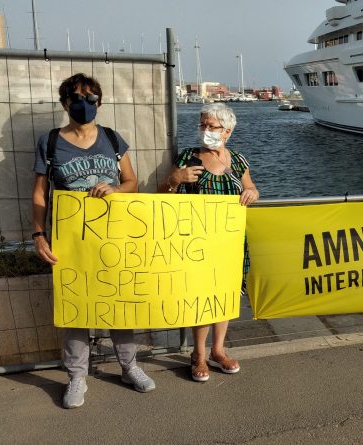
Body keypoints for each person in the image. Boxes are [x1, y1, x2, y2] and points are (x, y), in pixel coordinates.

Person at [31, 73, 155, 409]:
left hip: (113, 237)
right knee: (76, 308)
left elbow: (131, 183)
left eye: (90, 97)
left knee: (119, 305)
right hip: (70, 241)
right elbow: (41, 193)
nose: (83, 103)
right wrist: (39, 235)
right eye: (76, 97)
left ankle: (130, 366)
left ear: (99, 102)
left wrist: (115, 189)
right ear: (65, 103)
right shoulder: (51, 142)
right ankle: (76, 377)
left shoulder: (113, 139)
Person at [158, 102, 259, 382]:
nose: (204, 130)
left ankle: (219, 350)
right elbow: (163, 195)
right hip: (197, 243)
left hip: (230, 242)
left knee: (225, 294)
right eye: (202, 125)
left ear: (226, 131)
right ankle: (199, 354)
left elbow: (249, 187)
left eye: (210, 126)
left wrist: (253, 192)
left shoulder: (237, 161)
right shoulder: (189, 158)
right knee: (200, 296)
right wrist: (175, 179)